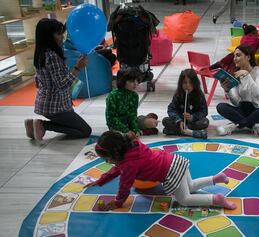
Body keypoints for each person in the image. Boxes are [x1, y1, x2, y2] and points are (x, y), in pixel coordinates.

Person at [84, 131, 236, 210]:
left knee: (184, 199)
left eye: (107, 159)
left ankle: (216, 200)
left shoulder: (128, 165)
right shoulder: (133, 146)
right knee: (190, 185)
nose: (107, 162)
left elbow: (124, 185)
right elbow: (117, 169)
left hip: (170, 172)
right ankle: (216, 178)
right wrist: (102, 180)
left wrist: (118, 202)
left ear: (115, 154)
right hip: (176, 161)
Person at [24, 18, 91, 141]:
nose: (62, 37)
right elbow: (62, 84)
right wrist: (78, 67)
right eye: (59, 34)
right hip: (55, 107)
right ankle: (43, 125)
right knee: (85, 130)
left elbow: (40, 81)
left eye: (62, 33)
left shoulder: (40, 53)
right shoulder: (52, 56)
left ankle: (32, 124)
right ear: (48, 36)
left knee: (75, 125)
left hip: (44, 103)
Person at [216, 45, 259, 137]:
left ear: (248, 57)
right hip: (242, 109)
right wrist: (228, 90)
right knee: (221, 106)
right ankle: (254, 125)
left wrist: (247, 76)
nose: (235, 59)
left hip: (257, 108)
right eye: (234, 56)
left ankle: (235, 125)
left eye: (238, 55)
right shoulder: (235, 74)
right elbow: (236, 102)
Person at [106, 68, 159, 138]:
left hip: (130, 123)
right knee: (125, 137)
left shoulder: (134, 96)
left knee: (153, 123)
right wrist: (126, 130)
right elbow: (111, 118)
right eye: (131, 81)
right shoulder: (113, 96)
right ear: (123, 81)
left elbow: (132, 115)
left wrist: (135, 129)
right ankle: (144, 127)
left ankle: (145, 123)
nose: (135, 83)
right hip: (116, 127)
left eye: (137, 80)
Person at [162, 69, 209, 139]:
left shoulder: (199, 95)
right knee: (165, 121)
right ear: (181, 84)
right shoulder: (178, 95)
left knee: (205, 122)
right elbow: (171, 109)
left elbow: (204, 111)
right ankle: (191, 132)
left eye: (190, 82)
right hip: (180, 122)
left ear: (195, 83)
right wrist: (179, 120)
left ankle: (178, 131)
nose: (188, 85)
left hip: (193, 122)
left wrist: (193, 117)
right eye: (185, 82)